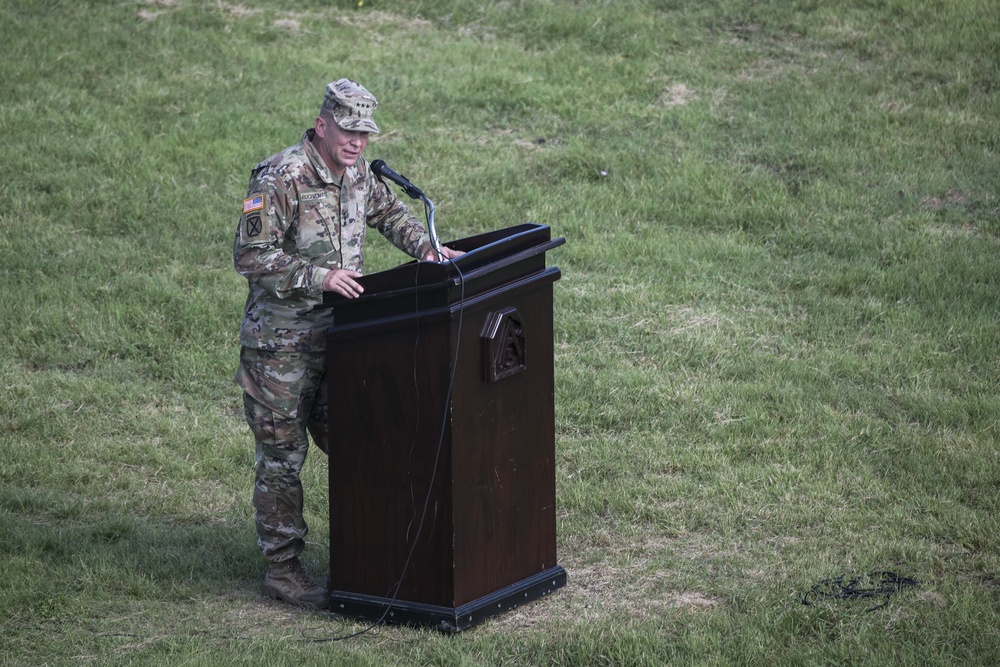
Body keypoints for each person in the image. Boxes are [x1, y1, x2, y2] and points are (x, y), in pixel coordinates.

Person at [233, 78, 462, 609]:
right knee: (283, 460)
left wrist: (427, 249)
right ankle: (284, 571)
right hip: (280, 350)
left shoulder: (358, 172)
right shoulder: (280, 177)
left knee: (362, 444)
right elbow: (251, 257)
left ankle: (364, 555)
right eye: (348, 130)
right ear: (322, 125)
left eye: (365, 132)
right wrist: (321, 277)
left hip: (345, 340)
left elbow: (386, 213)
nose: (358, 142)